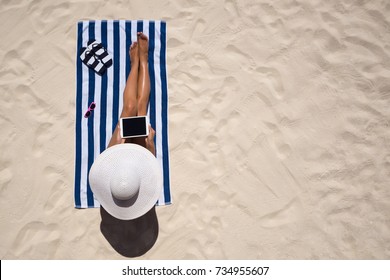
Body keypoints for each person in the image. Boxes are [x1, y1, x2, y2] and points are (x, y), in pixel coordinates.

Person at [108, 32, 155, 155]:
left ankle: (134, 64)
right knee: (140, 109)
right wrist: (150, 143)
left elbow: (107, 167)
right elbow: (152, 164)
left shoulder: (107, 171)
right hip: (138, 163)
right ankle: (143, 60)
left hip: (116, 162)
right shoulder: (144, 174)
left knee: (129, 107)